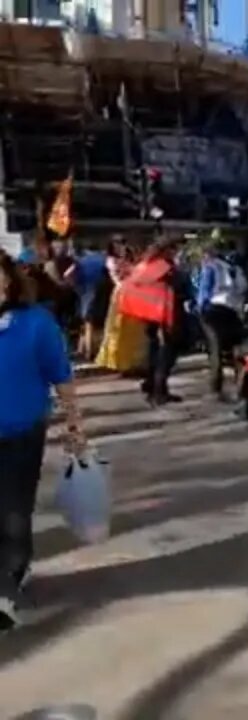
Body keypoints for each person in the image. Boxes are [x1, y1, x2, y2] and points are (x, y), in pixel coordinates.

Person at [0, 251, 86, 630]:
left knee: (14, 512)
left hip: (22, 432)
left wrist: (75, 426)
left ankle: (12, 577)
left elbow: (61, 376)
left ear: (10, 281)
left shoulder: (36, 323)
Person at [119, 238, 183, 405]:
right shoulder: (165, 268)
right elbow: (178, 287)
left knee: (154, 350)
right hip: (164, 315)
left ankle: (152, 386)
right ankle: (158, 391)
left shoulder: (145, 265)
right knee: (165, 354)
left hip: (150, 314)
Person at [196, 243, 248, 400]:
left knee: (216, 348)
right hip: (232, 310)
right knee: (235, 350)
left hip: (214, 309)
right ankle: (241, 385)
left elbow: (205, 289)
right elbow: (243, 290)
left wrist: (200, 308)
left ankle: (215, 387)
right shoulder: (236, 269)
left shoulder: (211, 266)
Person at [95, 240, 148, 374]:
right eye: (117, 244)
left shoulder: (128, 260)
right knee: (119, 329)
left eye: (123, 243)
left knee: (135, 330)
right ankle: (120, 362)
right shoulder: (112, 261)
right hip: (122, 294)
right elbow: (119, 276)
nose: (121, 247)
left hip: (133, 293)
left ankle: (135, 362)